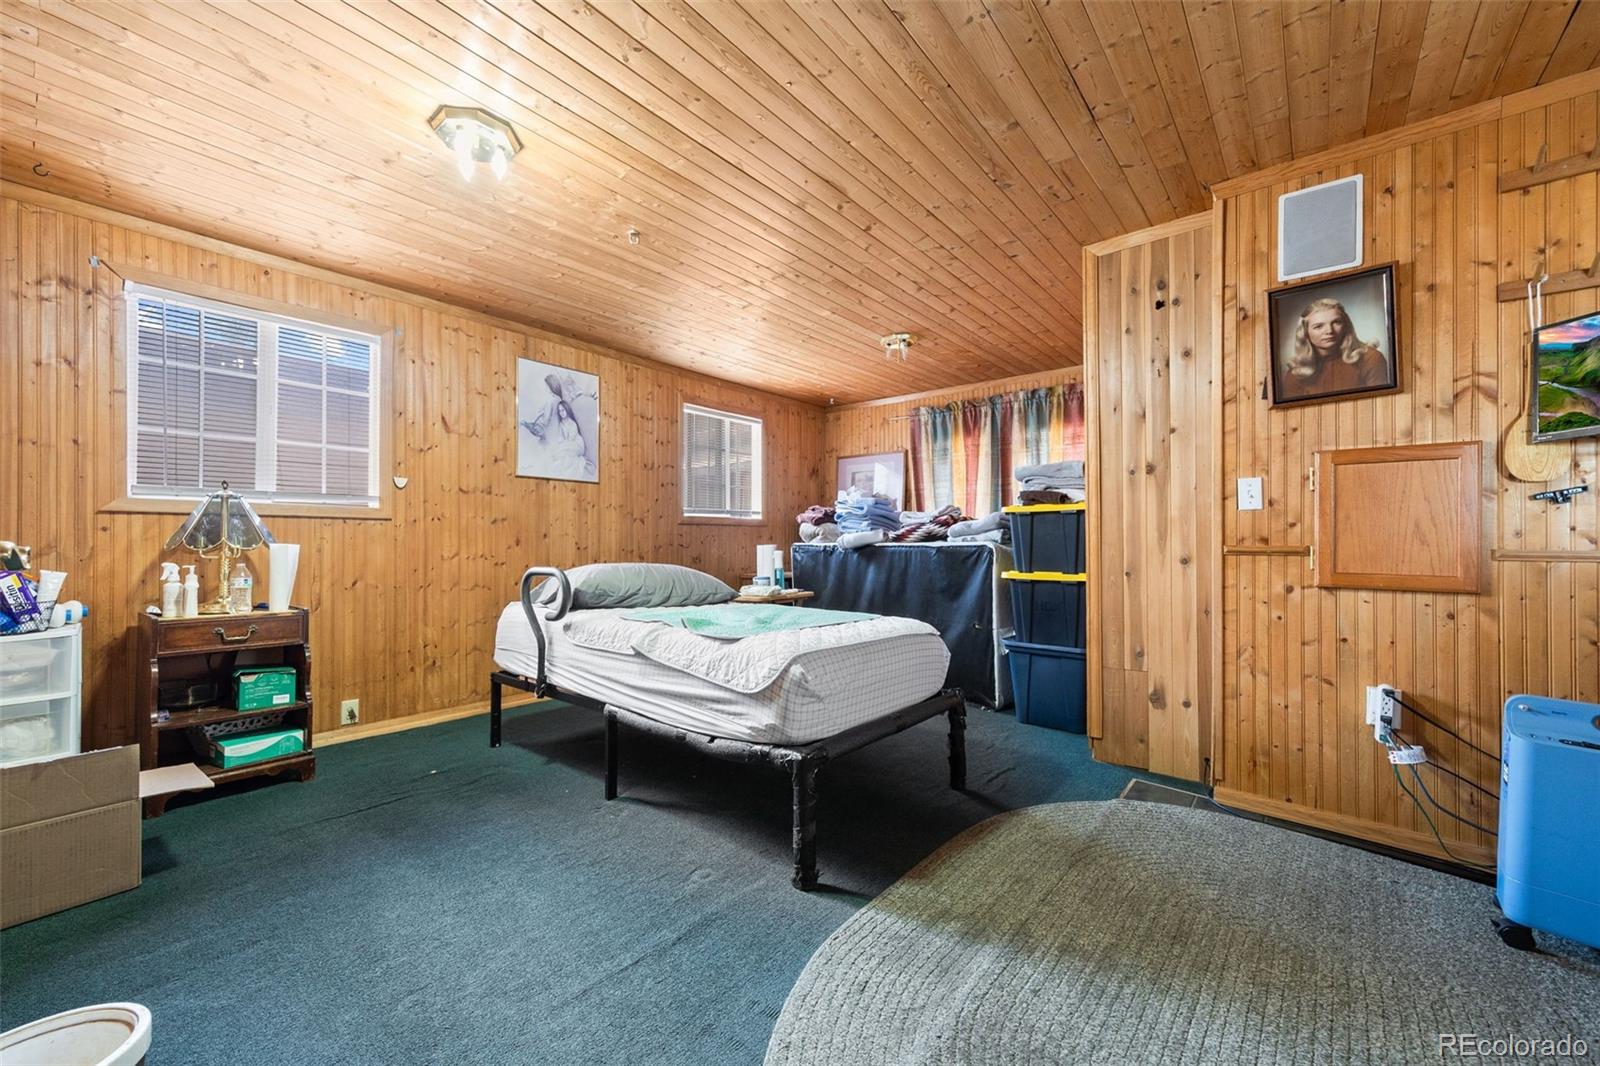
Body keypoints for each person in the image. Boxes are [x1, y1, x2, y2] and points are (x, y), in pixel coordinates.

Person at [1278, 297, 1389, 401]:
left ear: (1346, 326)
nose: (1329, 331)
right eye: (1318, 326)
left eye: (1336, 322)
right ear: (1305, 332)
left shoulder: (1371, 358)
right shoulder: (1296, 373)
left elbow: (1380, 404)